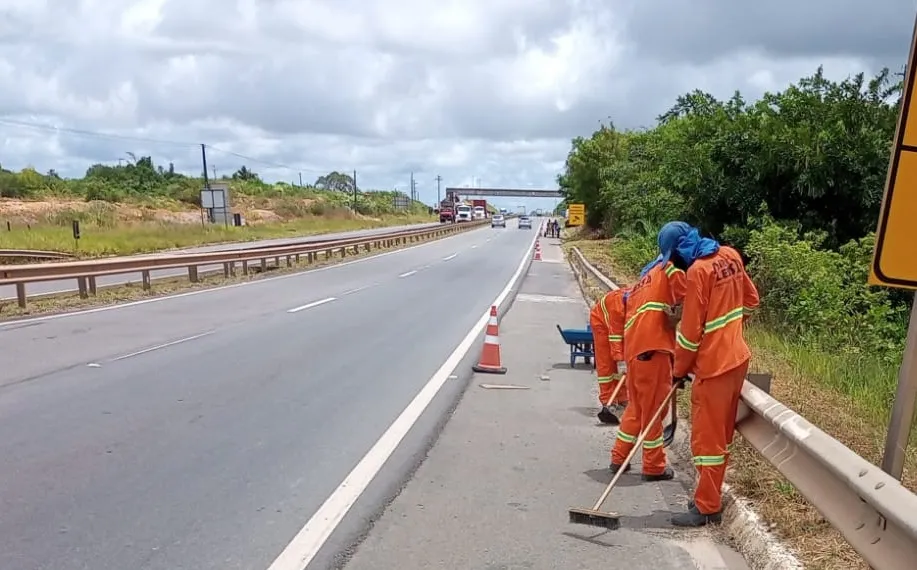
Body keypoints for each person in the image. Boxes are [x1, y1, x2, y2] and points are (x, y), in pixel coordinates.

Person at [663, 222, 760, 527]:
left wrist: (678, 371)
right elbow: (751, 300)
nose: (674, 264)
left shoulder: (698, 272)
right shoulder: (730, 255)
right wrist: (728, 330)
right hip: (737, 359)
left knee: (707, 442)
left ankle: (706, 507)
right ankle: (709, 496)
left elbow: (690, 334)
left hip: (714, 367)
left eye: (672, 257)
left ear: (680, 250)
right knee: (720, 437)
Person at [609, 223, 689, 480]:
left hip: (635, 352)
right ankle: (654, 467)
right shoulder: (672, 272)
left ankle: (619, 456)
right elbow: (691, 308)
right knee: (655, 412)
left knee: (638, 408)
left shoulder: (646, 277)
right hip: (654, 350)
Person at [588, 287, 630, 424]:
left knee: (622, 371)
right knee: (607, 365)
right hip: (600, 323)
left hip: (617, 327)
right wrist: (620, 360)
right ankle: (608, 402)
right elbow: (615, 337)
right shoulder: (617, 307)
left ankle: (623, 399)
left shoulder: (637, 303)